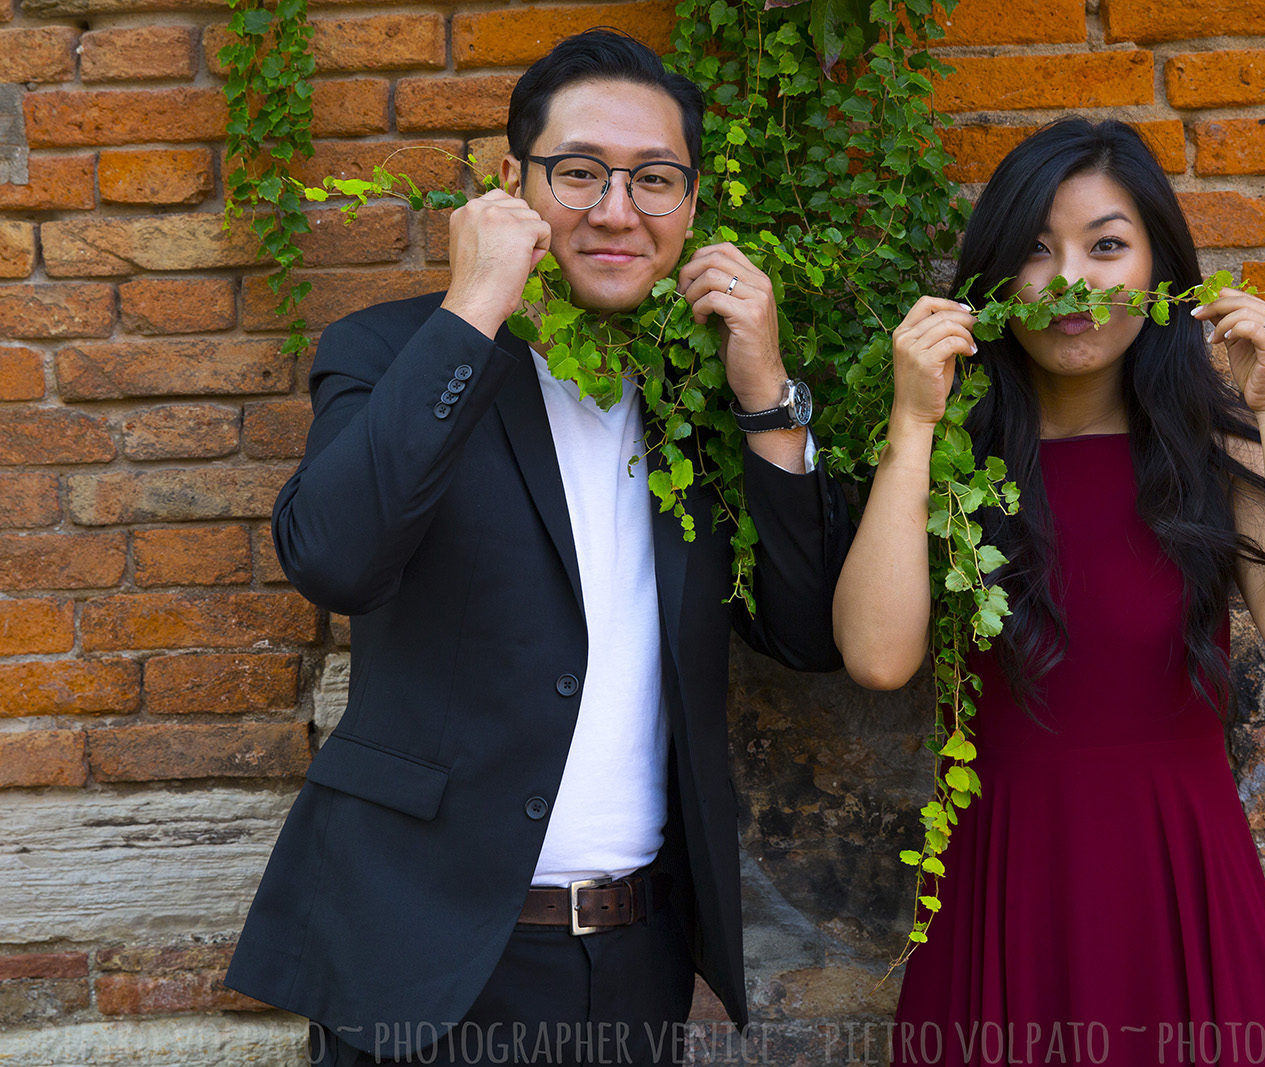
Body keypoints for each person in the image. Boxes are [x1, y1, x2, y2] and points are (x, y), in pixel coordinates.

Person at [224, 28, 852, 1067]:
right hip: (418, 958)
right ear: (509, 183)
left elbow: (801, 629)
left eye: (653, 179)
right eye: (579, 173)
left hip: (633, 961)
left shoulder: (695, 399)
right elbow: (332, 559)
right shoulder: (389, 350)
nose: (616, 209)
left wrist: (765, 398)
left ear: (691, 205)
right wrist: (475, 306)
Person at [832, 118, 1265, 1066]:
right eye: (1035, 251)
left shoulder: (1215, 451)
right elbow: (878, 657)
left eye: (1105, 246)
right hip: (1004, 881)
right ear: (996, 280)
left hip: (1180, 882)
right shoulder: (955, 461)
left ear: (1160, 269)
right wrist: (914, 424)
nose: (1068, 280)